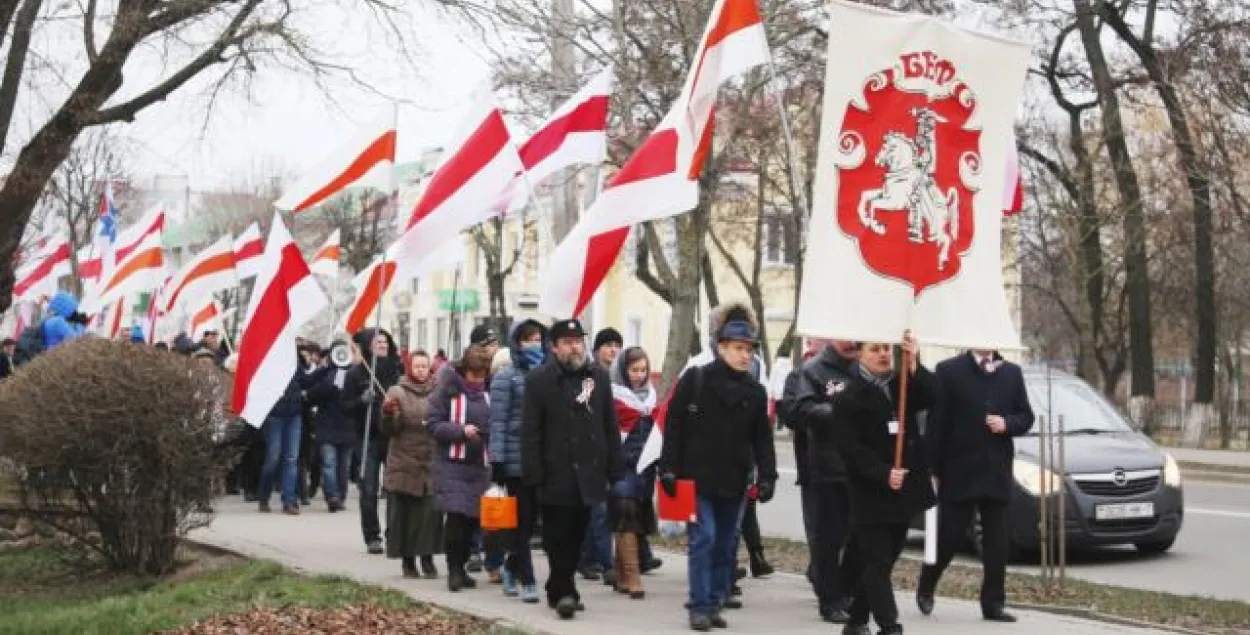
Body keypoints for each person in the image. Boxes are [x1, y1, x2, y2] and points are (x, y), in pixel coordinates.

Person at [658, 302, 778, 632]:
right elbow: (675, 425)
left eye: (749, 350)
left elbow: (762, 440)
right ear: (721, 348)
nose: (745, 355)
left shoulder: (754, 392)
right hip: (696, 479)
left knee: (725, 544)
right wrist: (667, 467)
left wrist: (768, 476)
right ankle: (699, 606)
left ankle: (713, 603)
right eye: (738, 348)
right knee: (704, 539)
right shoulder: (696, 380)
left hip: (734, 479)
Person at [917, 349, 1035, 623]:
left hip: (996, 470)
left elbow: (1026, 416)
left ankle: (993, 604)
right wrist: (931, 468)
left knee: (996, 542)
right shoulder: (949, 371)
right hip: (959, 469)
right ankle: (928, 581)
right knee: (951, 535)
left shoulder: (1011, 373)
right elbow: (937, 423)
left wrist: (1007, 423)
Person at [831, 333, 935, 635]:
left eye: (886, 349)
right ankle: (890, 626)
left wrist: (914, 360)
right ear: (860, 355)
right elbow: (850, 449)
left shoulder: (900, 385)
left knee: (886, 560)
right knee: (877, 560)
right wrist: (881, 472)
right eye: (875, 349)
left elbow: (930, 395)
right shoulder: (848, 397)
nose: (883, 354)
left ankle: (856, 619)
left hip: (903, 491)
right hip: (871, 493)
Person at [521, 318, 623, 619]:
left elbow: (609, 426)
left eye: (578, 340)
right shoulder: (539, 380)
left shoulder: (598, 378)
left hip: (589, 471)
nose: (574, 346)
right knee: (556, 535)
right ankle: (564, 591)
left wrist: (615, 467)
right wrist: (533, 473)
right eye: (567, 342)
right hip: (556, 471)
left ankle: (560, 586)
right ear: (554, 347)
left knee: (578, 534)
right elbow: (530, 431)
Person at [791, 338, 860, 623]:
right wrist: (836, 411)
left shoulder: (865, 368)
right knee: (828, 539)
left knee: (858, 536)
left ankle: (847, 590)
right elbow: (801, 411)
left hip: (861, 468)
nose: (851, 341)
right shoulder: (814, 370)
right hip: (828, 468)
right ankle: (830, 599)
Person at [489, 318, 548, 603]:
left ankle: (511, 565)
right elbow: (498, 422)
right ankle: (527, 578)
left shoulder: (550, 375)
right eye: (528, 338)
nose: (534, 344)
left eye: (538, 338)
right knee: (521, 522)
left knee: (540, 520)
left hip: (545, 460)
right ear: (517, 343)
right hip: (516, 460)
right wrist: (498, 460)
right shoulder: (506, 377)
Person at [428, 344, 494, 592]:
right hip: (452, 464)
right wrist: (461, 431)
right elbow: (433, 424)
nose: (477, 380)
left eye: (482, 375)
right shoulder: (448, 390)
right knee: (456, 518)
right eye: (473, 375)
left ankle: (463, 566)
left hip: (479, 465)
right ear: (464, 371)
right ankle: (453, 570)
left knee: (472, 522)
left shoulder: (489, 391)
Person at [382, 349, 444, 579]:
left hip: (430, 461)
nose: (421, 370)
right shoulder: (397, 391)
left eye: (424, 366)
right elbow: (390, 431)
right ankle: (408, 561)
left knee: (429, 516)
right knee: (405, 516)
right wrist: (390, 415)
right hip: (404, 461)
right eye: (416, 366)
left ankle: (427, 558)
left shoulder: (438, 391)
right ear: (409, 368)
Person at [342, 328, 403, 554]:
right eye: (378, 342)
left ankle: (394, 533)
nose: (383, 345)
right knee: (368, 488)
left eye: (386, 341)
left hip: (394, 437)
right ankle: (372, 536)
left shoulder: (398, 370)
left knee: (395, 488)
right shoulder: (356, 374)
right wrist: (361, 400)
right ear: (368, 345)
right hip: (367, 438)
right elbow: (345, 407)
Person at [609, 346, 658, 600]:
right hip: (621, 466)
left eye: (643, 369)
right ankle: (633, 575)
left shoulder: (651, 397)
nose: (639, 375)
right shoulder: (612, 395)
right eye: (633, 369)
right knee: (626, 512)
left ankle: (620, 573)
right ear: (623, 370)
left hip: (645, 466)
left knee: (634, 517)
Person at [579, 326, 624, 582]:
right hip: (589, 451)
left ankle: (590, 558)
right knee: (597, 510)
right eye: (608, 345)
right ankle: (604, 564)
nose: (613, 350)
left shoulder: (616, 376)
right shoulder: (590, 376)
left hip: (606, 450)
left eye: (616, 345)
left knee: (598, 510)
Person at [305, 340, 356, 513]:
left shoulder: (355, 375)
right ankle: (332, 497)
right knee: (329, 464)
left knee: (344, 467)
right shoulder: (325, 374)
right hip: (327, 427)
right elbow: (312, 396)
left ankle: (340, 496)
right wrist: (329, 384)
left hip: (348, 428)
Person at [257, 353, 307, 515]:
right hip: (274, 415)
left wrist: (328, 369)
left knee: (291, 458)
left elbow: (305, 381)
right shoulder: (268, 361)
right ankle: (264, 496)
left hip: (294, 415)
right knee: (273, 458)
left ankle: (289, 500)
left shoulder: (294, 361)